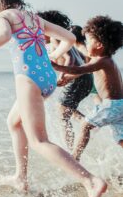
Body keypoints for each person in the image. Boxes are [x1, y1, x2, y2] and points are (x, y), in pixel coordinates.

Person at [0, 0, 107, 197]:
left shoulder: (3, 16)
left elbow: (4, 35)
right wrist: (53, 57)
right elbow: (69, 37)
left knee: (39, 140)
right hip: (46, 78)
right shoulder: (34, 18)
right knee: (14, 122)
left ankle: (90, 181)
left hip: (27, 78)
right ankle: (20, 177)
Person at [52, 15, 123, 160]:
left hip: (112, 105)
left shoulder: (103, 61)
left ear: (99, 45)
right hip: (117, 105)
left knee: (85, 125)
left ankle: (75, 158)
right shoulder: (105, 61)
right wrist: (67, 78)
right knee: (120, 139)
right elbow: (84, 69)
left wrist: (56, 66)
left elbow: (80, 70)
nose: (86, 43)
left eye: (89, 41)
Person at [37, 10, 93, 150]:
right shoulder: (63, 38)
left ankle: (69, 149)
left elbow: (70, 59)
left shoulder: (56, 38)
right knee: (65, 108)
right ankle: (85, 122)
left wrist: (62, 77)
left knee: (63, 114)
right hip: (84, 77)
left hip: (78, 78)